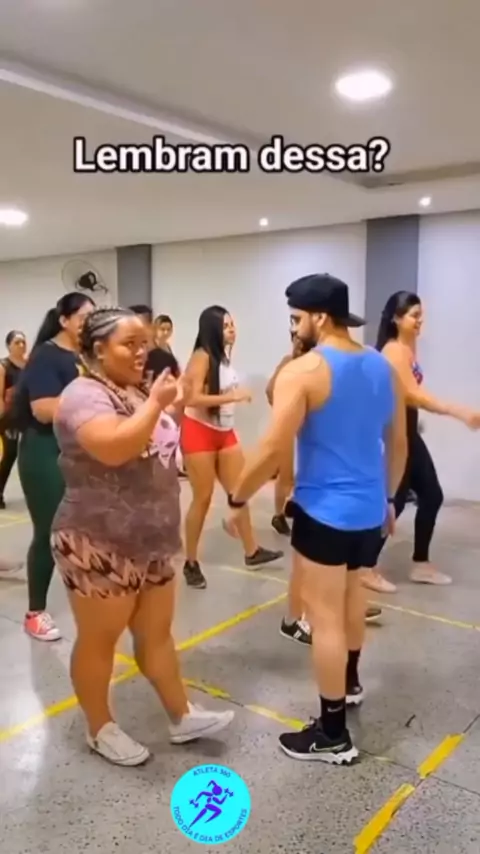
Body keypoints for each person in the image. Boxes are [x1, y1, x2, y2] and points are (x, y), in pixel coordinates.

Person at [225, 274, 407, 763]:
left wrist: (238, 500)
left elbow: (272, 447)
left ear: (318, 318)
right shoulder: (381, 365)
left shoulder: (304, 371)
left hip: (325, 512)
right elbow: (398, 442)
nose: (294, 327)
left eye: (296, 318)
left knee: (324, 619)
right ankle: (349, 684)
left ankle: (332, 734)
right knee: (352, 600)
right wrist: (389, 500)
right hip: (369, 511)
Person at [51, 307, 233, 766]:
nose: (141, 352)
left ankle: (181, 715)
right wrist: (156, 404)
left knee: (156, 634)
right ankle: (99, 728)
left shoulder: (133, 390)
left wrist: (166, 402)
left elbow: (158, 445)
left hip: (151, 537)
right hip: (98, 540)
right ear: (98, 349)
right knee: (99, 641)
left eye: (144, 343)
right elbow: (115, 447)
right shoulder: (82, 395)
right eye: (129, 344)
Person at [362, 291, 480, 593]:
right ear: (396, 318)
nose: (419, 322)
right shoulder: (393, 351)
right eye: (414, 316)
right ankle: (365, 566)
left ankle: (419, 564)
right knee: (398, 500)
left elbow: (411, 391)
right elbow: (411, 395)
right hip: (397, 433)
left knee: (429, 495)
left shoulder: (406, 348)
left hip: (408, 431)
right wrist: (457, 411)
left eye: (421, 316)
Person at [181, 305, 283, 588]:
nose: (232, 330)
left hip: (224, 432)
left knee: (239, 491)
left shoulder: (224, 357)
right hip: (199, 432)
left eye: (232, 325)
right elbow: (191, 399)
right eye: (226, 326)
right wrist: (233, 397)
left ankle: (252, 551)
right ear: (213, 329)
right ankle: (191, 562)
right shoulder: (201, 356)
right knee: (202, 498)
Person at [16, 292, 95, 641]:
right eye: (83, 317)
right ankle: (35, 613)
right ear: (64, 320)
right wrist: (90, 400)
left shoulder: (84, 356)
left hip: (77, 450)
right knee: (49, 531)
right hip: (44, 451)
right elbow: (43, 409)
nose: (89, 324)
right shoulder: (47, 356)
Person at [0, 330, 27, 508]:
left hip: (26, 416)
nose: (21, 345)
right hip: (8, 418)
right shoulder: (3, 366)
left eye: (23, 342)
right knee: (8, 454)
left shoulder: (29, 366)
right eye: (17, 342)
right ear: (9, 345)